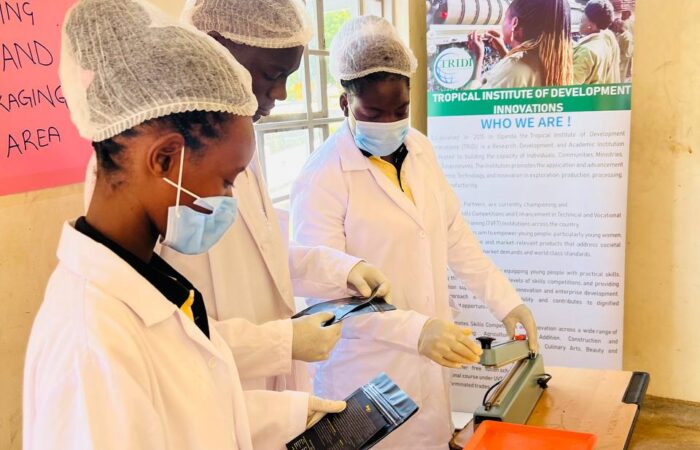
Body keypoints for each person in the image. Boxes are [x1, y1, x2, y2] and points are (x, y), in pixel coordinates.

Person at [23, 1, 344, 449]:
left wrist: (290, 414)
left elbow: (186, 413)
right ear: (164, 160)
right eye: (226, 181)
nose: (229, 200)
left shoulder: (149, 283)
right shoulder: (91, 345)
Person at [83, 0, 392, 395]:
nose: (281, 92)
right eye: (272, 74)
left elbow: (264, 255)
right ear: (215, 46)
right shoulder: (140, 166)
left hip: (258, 399)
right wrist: (278, 343)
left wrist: (339, 270)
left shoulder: (233, 140)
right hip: (210, 393)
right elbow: (155, 337)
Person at [290, 16, 539, 449]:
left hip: (428, 371)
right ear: (345, 102)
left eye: (400, 110)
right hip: (365, 374)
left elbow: (454, 236)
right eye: (373, 113)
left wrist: (506, 301)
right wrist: (415, 331)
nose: (389, 122)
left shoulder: (421, 149)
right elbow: (326, 295)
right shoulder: (322, 177)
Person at [467, 0, 573, 88]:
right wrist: (503, 49)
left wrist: (477, 59)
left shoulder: (513, 68)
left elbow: (472, 104)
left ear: (514, 23)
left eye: (505, 17)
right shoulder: (556, 65)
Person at [572, 0, 621, 84]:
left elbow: (570, 87)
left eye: (581, 21)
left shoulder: (585, 52)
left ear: (590, 26)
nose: (581, 19)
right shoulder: (605, 39)